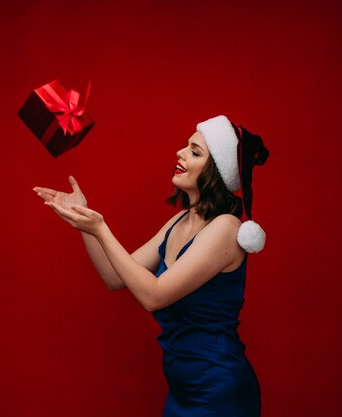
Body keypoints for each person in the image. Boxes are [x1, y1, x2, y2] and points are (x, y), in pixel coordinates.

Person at [32, 115, 269, 417]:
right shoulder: (178, 222)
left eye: (195, 152)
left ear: (216, 171)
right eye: (186, 146)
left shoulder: (226, 228)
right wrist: (84, 220)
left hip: (219, 392)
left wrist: (102, 228)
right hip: (183, 391)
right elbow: (114, 276)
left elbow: (153, 295)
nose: (180, 153)